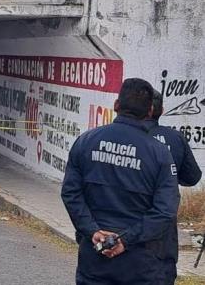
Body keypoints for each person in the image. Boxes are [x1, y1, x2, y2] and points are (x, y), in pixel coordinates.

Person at [61, 78, 179, 284]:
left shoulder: (86, 141)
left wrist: (92, 231)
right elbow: (165, 210)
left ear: (116, 105)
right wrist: (125, 240)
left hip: (96, 256)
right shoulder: (159, 154)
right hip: (142, 262)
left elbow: (71, 193)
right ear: (150, 111)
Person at [145, 91, 202, 285]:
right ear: (160, 110)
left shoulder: (123, 136)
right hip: (163, 227)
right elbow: (192, 177)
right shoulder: (175, 138)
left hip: (124, 222)